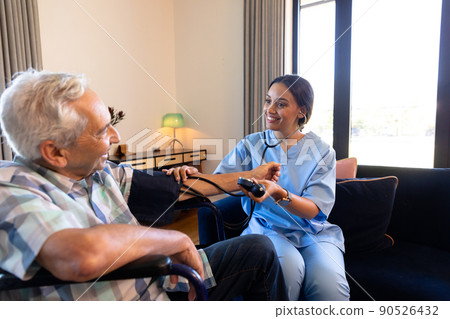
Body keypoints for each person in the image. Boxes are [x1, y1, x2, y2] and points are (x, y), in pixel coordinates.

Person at [0, 69, 287, 301]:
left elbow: (179, 188)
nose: (115, 136)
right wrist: (177, 240)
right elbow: (79, 256)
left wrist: (252, 177)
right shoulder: (12, 189)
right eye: (102, 130)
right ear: (55, 152)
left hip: (163, 281)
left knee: (259, 250)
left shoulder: (97, 172)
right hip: (133, 294)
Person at [168, 75, 350, 301]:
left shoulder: (322, 151)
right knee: (289, 271)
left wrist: (277, 193)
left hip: (313, 234)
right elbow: (219, 182)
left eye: (280, 104)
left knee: (329, 287)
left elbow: (314, 209)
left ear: (301, 112)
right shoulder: (251, 144)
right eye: (268, 101)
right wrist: (192, 173)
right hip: (268, 229)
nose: (269, 109)